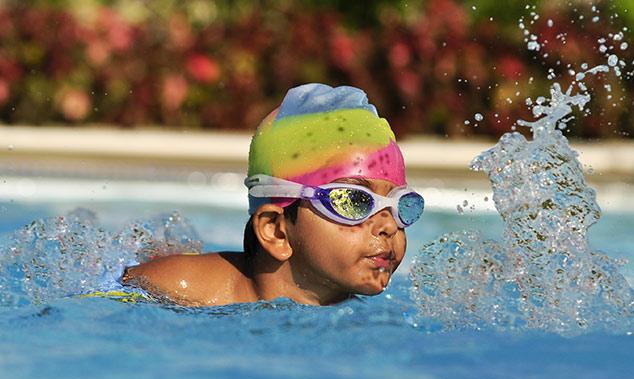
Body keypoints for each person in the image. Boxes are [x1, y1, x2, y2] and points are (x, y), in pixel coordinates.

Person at [121, 83, 424, 306]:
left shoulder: (368, 319)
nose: (388, 226)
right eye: (354, 201)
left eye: (401, 204)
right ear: (276, 230)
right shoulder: (177, 287)